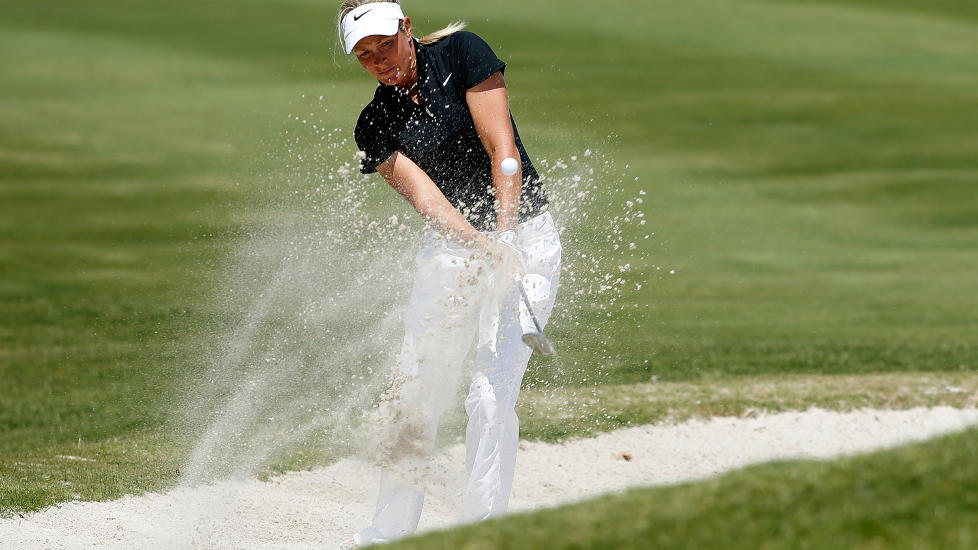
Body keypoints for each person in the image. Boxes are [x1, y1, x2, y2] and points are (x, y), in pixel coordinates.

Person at [336, 1, 561, 547]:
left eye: (384, 45)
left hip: (527, 238)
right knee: (413, 394)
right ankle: (388, 532)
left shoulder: (463, 53)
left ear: (406, 29)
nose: (380, 62)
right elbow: (429, 202)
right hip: (454, 253)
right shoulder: (375, 124)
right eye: (365, 57)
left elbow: (500, 149)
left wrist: (506, 237)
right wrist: (483, 245)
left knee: (488, 395)